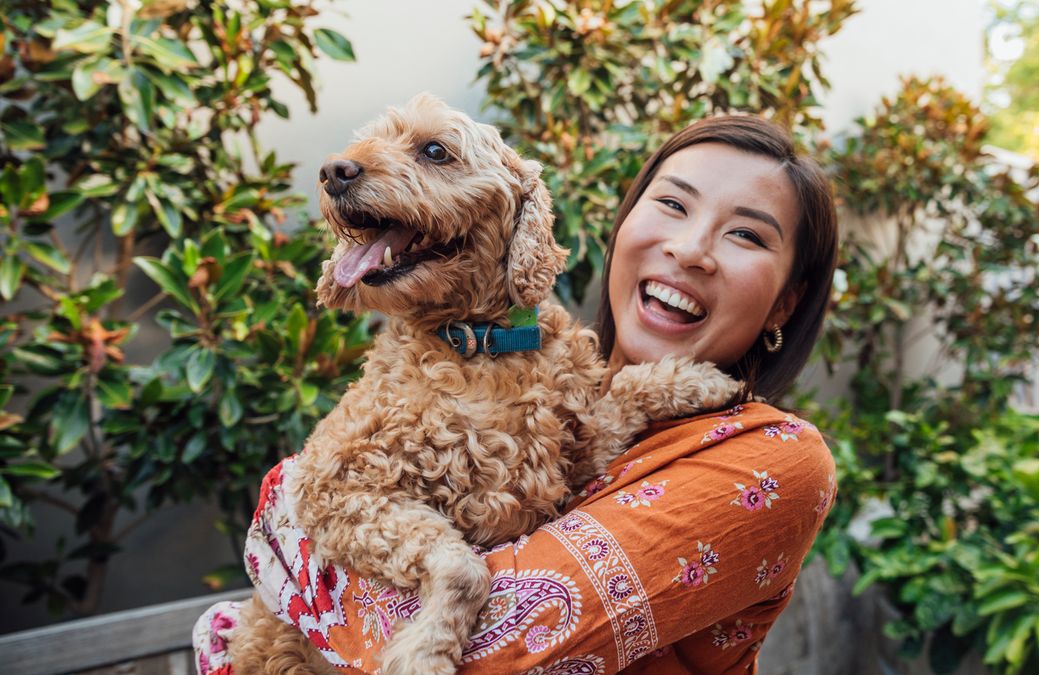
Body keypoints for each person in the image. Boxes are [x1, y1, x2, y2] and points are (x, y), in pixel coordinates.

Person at [194, 114, 839, 674]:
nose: (690, 248)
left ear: (787, 300)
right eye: (672, 205)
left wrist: (293, 537)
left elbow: (505, 652)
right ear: (624, 226)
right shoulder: (540, 375)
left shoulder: (776, 459)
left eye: (746, 234)